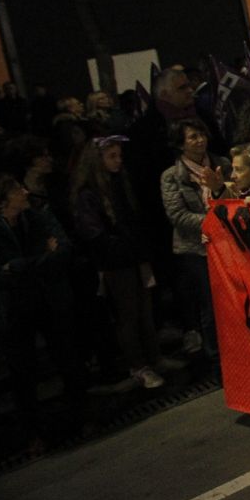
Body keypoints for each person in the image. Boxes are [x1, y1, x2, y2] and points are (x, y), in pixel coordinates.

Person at [70, 138, 183, 389]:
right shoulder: (88, 194)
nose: (118, 161)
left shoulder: (119, 183)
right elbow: (93, 233)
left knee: (145, 310)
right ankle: (139, 366)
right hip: (116, 264)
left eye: (119, 156)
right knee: (128, 316)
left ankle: (155, 358)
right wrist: (125, 248)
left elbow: (132, 219)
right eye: (112, 156)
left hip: (134, 257)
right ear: (97, 161)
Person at [0, 173, 88, 449]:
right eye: (16, 189)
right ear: (1, 201)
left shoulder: (36, 217)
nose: (24, 191)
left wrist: (20, 266)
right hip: (14, 310)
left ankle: (79, 418)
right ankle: (33, 433)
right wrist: (43, 258)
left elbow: (64, 250)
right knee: (22, 372)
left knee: (67, 358)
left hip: (46, 300)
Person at [159, 119, 227, 360]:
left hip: (227, 244)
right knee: (210, 304)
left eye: (202, 135)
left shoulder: (222, 164)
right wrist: (214, 219)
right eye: (193, 137)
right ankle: (215, 355)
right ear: (181, 144)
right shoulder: (172, 177)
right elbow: (177, 215)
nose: (200, 141)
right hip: (196, 248)